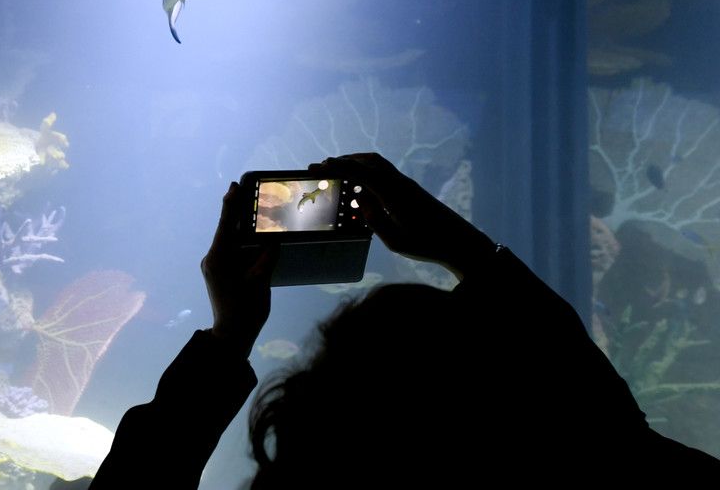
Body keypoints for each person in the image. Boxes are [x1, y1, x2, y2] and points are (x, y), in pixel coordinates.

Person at [89, 152, 720, 488]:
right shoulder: (607, 462)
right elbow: (615, 432)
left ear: (313, 423)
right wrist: (467, 247)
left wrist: (230, 335)